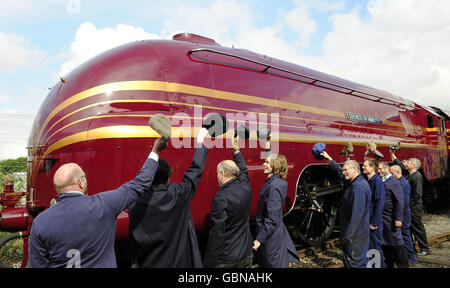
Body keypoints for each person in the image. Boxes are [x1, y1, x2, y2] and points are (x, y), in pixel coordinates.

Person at [28, 137, 167, 268]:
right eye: (84, 176)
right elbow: (139, 184)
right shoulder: (104, 205)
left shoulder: (40, 223)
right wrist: (155, 151)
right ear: (80, 183)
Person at [128, 128, 210, 268]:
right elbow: (196, 170)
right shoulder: (177, 195)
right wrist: (201, 141)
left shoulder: (134, 205)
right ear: (168, 178)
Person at [203, 134, 253, 268]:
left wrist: (210, 262)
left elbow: (217, 234)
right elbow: (243, 170)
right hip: (246, 252)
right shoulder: (245, 187)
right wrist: (236, 150)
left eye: (217, 173)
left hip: (227, 258)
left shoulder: (221, 198)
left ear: (222, 174)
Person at [253, 139, 299, 268]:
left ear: (275, 166)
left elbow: (272, 218)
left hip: (270, 240)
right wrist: (268, 147)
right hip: (275, 236)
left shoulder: (273, 187)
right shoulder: (278, 182)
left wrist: (259, 239)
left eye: (267, 162)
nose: (263, 164)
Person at [321, 152, 371, 268]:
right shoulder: (357, 182)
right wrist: (330, 159)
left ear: (354, 170)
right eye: (343, 170)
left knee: (354, 263)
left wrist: (348, 236)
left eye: (346, 170)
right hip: (358, 233)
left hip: (355, 235)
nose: (343, 173)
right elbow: (340, 172)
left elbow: (356, 215)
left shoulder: (357, 188)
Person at [390, 150, 430, 256]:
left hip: (414, 206)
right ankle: (412, 249)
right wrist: (392, 153)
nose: (405, 164)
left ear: (413, 166)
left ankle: (425, 248)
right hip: (410, 206)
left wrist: (409, 206)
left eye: (407, 163)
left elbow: (417, 194)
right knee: (411, 228)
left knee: (417, 227)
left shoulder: (417, 176)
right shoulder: (410, 173)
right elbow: (399, 165)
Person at [377, 162, 409, 268]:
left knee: (397, 243)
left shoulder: (394, 182)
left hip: (392, 219)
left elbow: (400, 201)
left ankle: (403, 266)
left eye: (380, 169)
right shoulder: (383, 181)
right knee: (386, 244)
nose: (379, 171)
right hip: (384, 219)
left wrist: (398, 218)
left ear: (387, 169)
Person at [390, 165, 417, 265]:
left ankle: (411, 257)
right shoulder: (399, 182)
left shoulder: (403, 184)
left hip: (403, 214)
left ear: (397, 172)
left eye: (391, 173)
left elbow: (404, 202)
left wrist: (399, 217)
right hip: (402, 213)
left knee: (406, 235)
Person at [362, 158, 385, 268]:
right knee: (371, 249)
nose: (363, 167)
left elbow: (379, 203)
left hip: (373, 221)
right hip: (369, 219)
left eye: (365, 166)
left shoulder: (377, 181)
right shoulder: (368, 180)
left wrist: (374, 222)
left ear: (372, 168)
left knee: (374, 248)